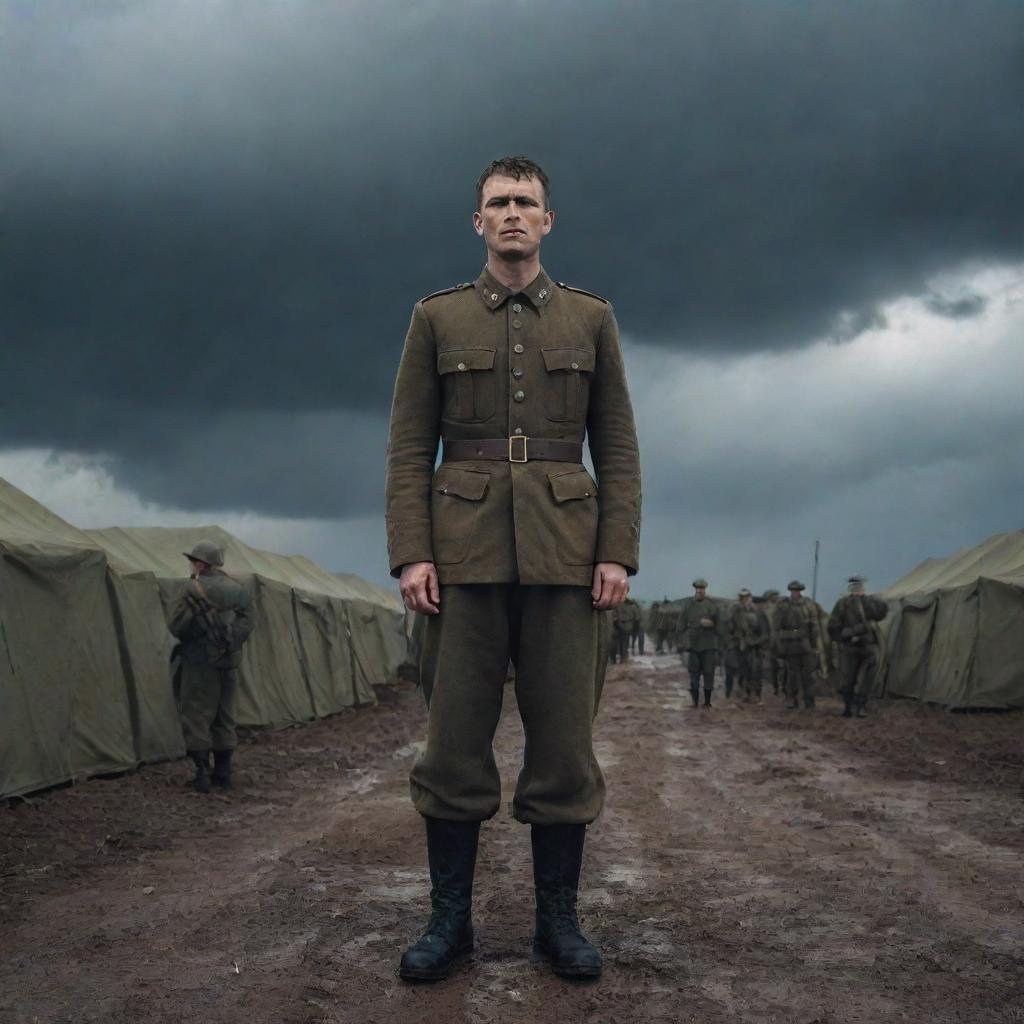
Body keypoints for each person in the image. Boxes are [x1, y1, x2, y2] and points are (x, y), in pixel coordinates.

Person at [385, 155, 641, 982]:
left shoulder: (590, 318)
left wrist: (615, 550)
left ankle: (556, 924)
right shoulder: (437, 318)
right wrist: (412, 551)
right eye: (498, 203)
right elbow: (405, 448)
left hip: (568, 558)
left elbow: (620, 448)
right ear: (477, 222)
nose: (512, 214)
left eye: (526, 202)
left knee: (564, 749)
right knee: (453, 748)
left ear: (549, 220)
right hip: (460, 558)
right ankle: (449, 924)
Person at [167, 541, 255, 793]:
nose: (191, 564)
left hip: (199, 661)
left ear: (202, 564)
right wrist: (230, 641)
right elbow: (249, 620)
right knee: (224, 716)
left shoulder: (190, 589)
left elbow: (175, 626)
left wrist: (197, 631)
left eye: (193, 560)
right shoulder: (237, 589)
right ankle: (223, 773)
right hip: (228, 660)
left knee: (196, 715)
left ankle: (203, 775)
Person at [828, 575, 888, 717]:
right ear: (850, 588)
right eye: (855, 587)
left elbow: (880, 614)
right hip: (850, 647)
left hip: (868, 646)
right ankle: (848, 707)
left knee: (869, 679)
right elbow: (833, 626)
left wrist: (878, 602)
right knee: (847, 680)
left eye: (860, 586)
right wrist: (847, 635)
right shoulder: (842, 604)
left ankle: (860, 705)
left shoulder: (870, 602)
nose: (857, 589)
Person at [773, 580, 820, 710]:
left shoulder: (808, 604)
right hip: (790, 644)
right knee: (792, 674)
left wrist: (815, 645)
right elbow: (776, 626)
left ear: (801, 591)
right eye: (793, 591)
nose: (795, 593)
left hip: (805, 644)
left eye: (798, 590)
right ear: (790, 591)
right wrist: (779, 645)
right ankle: (791, 699)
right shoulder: (783, 605)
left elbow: (814, 626)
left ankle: (809, 701)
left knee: (808, 675)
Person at [676, 578, 719, 707]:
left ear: (705, 590)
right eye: (697, 589)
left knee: (708, 673)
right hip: (693, 645)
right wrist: (680, 642)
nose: (699, 591)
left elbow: (720, 625)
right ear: (695, 590)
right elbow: (680, 625)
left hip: (708, 645)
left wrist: (711, 624)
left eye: (702, 589)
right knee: (693, 674)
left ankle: (707, 702)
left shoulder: (711, 606)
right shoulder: (688, 605)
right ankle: (695, 703)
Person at [729, 588, 769, 702]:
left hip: (756, 647)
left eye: (747, 597)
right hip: (741, 646)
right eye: (742, 598)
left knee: (756, 671)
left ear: (750, 598)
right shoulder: (736, 612)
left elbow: (765, 632)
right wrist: (736, 638)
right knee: (742, 670)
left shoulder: (759, 613)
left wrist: (756, 642)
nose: (744, 600)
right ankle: (744, 693)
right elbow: (730, 628)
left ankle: (757, 694)